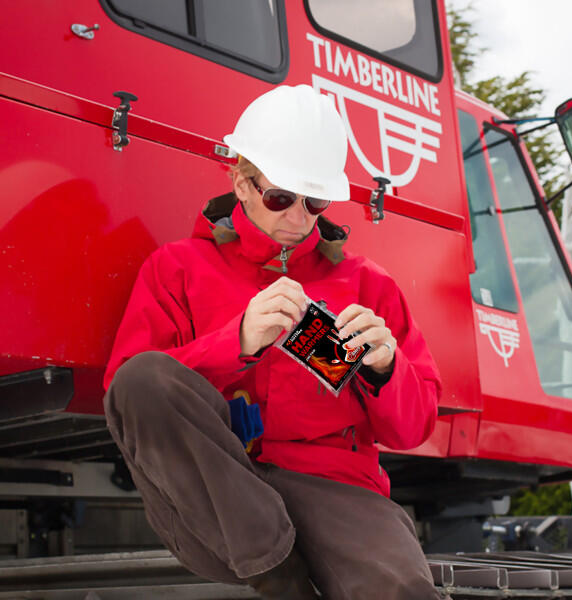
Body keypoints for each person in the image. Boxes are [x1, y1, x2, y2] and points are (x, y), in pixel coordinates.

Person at [103, 84, 442, 599]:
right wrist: (234, 340)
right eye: (281, 196)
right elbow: (130, 396)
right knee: (143, 376)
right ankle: (279, 578)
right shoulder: (177, 269)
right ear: (241, 183)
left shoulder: (370, 284)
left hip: (337, 487)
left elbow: (413, 428)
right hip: (217, 496)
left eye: (315, 200)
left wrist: (386, 368)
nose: (299, 217)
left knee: (401, 592)